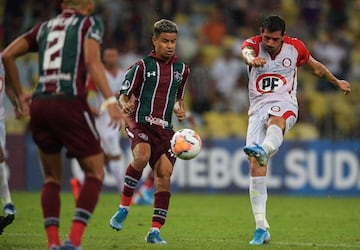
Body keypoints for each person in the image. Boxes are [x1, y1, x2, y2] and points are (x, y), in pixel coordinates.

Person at [2, 0, 123, 249]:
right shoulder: (89, 23)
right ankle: (74, 241)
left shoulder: (45, 26)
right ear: (88, 4)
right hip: (69, 102)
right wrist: (110, 99)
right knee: (95, 172)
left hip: (40, 104)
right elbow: (91, 61)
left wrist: (19, 94)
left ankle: (53, 243)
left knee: (51, 178)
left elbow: (7, 55)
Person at [241, 15, 351, 245]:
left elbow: (317, 69)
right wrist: (251, 60)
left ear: (283, 37)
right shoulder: (253, 44)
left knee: (276, 119)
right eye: (266, 37)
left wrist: (337, 82)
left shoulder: (295, 47)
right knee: (255, 165)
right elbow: (246, 53)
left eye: (274, 39)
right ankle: (261, 227)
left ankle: (265, 148)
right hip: (257, 109)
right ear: (261, 32)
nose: (269, 43)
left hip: (285, 103)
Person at [109, 19, 189, 244]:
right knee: (141, 156)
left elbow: (177, 98)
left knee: (164, 176)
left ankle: (154, 231)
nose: (170, 45)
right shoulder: (141, 67)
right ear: (155, 41)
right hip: (141, 122)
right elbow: (123, 95)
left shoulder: (182, 70)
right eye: (165, 41)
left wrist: (179, 109)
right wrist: (124, 104)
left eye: (173, 41)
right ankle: (124, 206)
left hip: (165, 129)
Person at [70, 47, 126, 200]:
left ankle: (79, 182)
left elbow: (129, 95)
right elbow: (84, 94)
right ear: (103, 58)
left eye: (113, 55)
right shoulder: (98, 75)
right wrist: (90, 108)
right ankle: (125, 193)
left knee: (102, 157)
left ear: (117, 57)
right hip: (104, 121)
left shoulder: (123, 75)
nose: (111, 58)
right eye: (108, 56)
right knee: (115, 155)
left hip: (116, 119)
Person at [0, 54, 18, 235]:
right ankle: (7, 201)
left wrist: (15, 105)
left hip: (1, 121)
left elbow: (8, 87)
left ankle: (7, 202)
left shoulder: (3, 61)